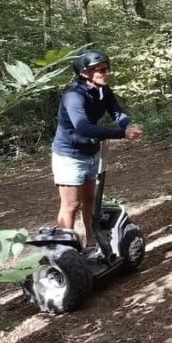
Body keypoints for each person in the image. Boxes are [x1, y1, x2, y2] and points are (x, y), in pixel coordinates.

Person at [52, 50, 143, 252]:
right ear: (84, 73)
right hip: (69, 155)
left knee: (90, 200)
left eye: (106, 68)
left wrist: (128, 124)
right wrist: (122, 134)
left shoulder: (103, 91)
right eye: (99, 70)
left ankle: (92, 240)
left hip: (91, 152)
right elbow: (83, 127)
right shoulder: (74, 96)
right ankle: (65, 251)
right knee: (71, 205)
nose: (105, 73)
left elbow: (116, 111)